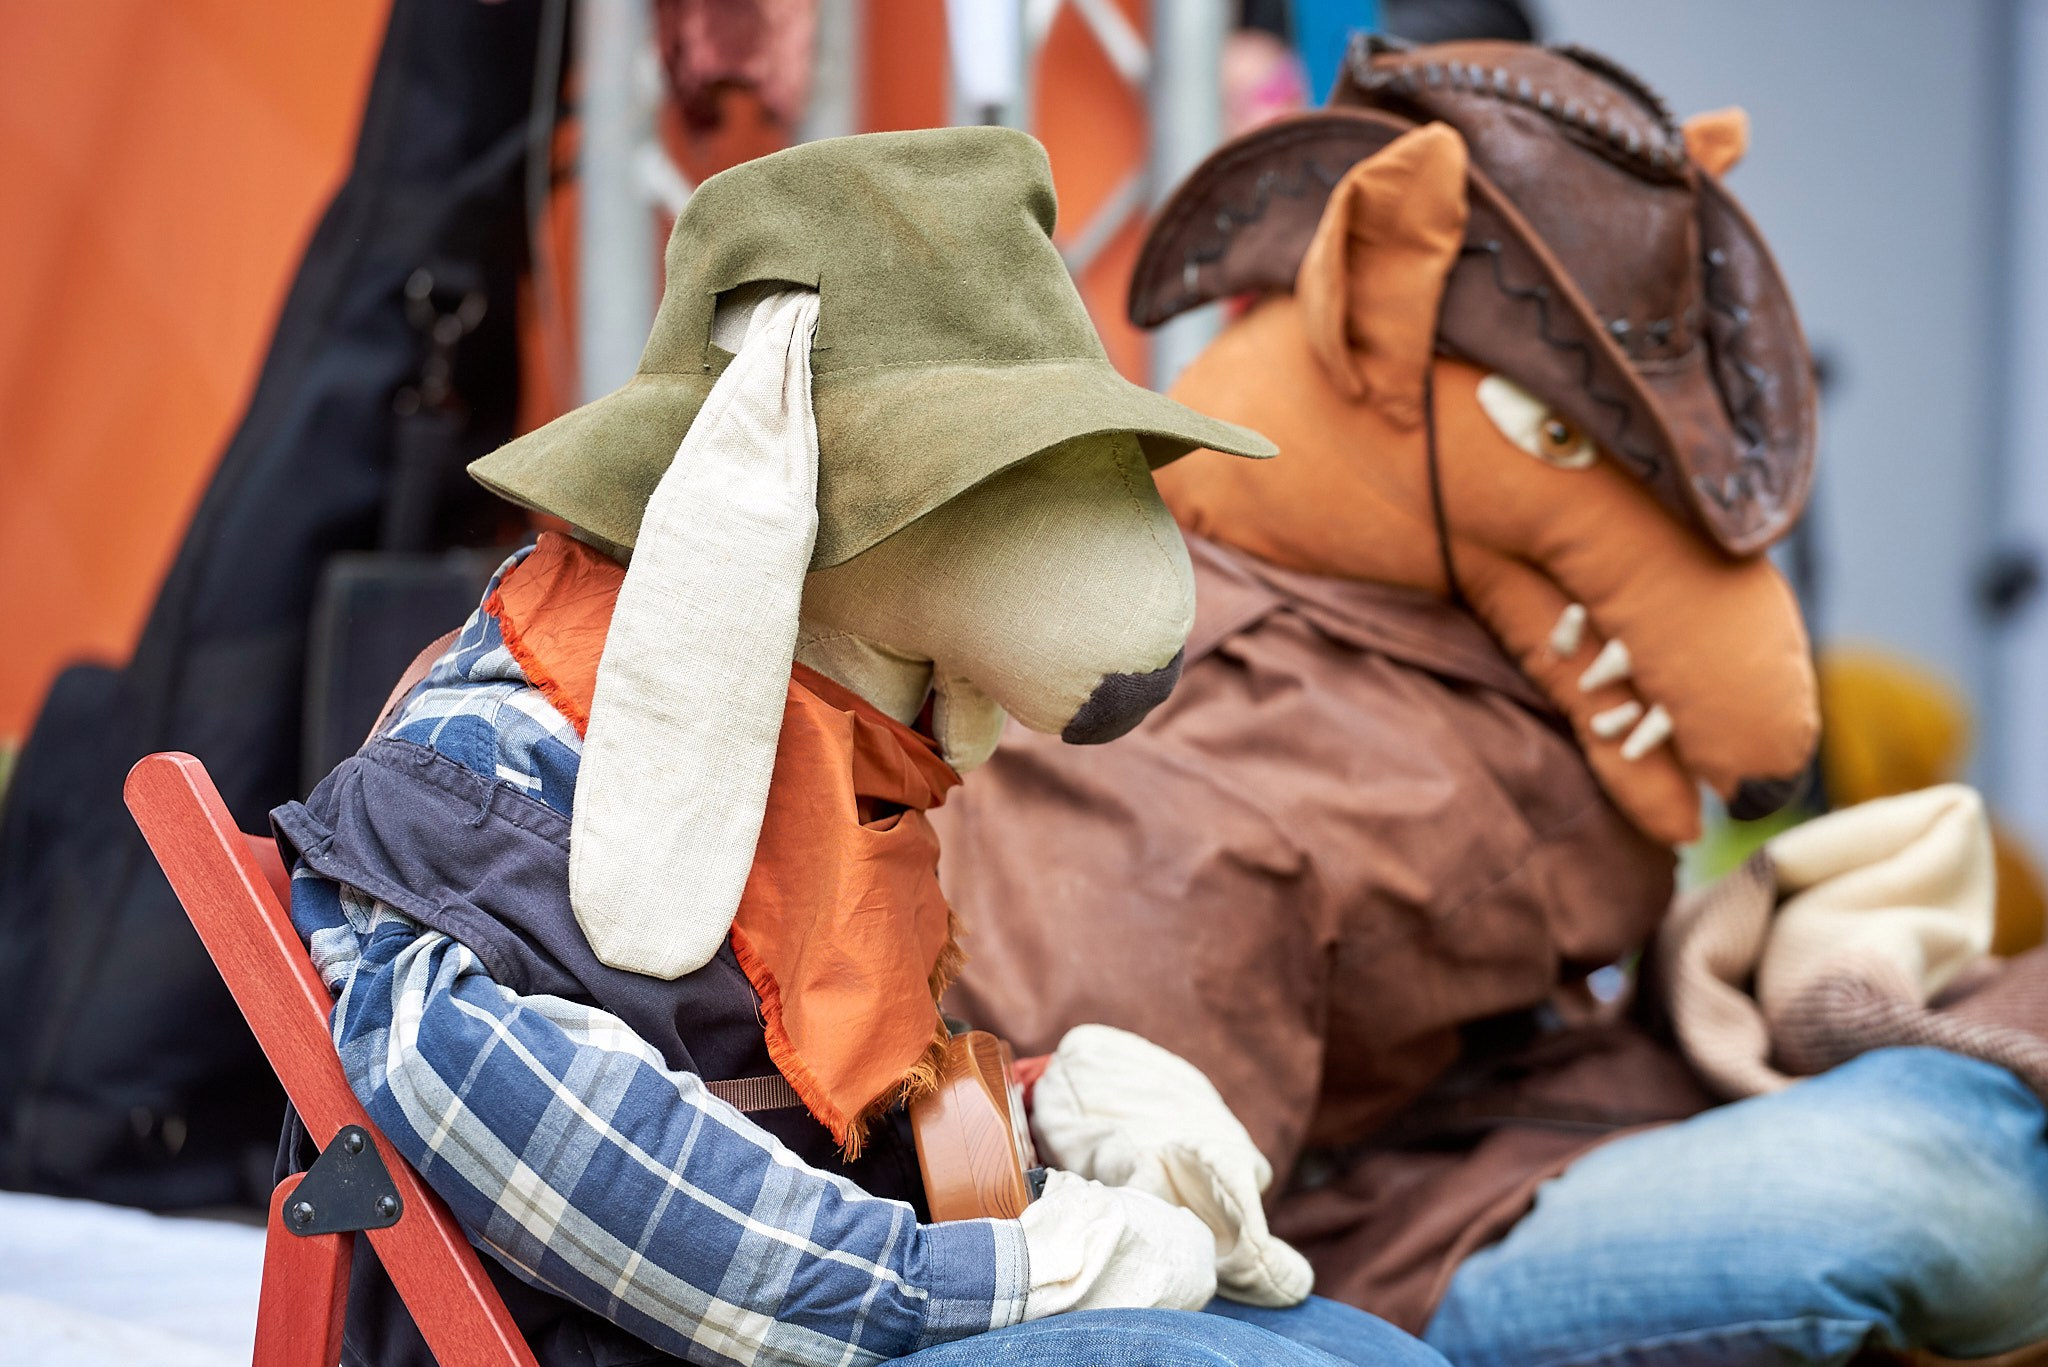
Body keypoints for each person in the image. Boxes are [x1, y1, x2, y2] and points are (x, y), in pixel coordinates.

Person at [934, 39, 2048, 1366]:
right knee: (1932, 1179)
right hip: (1378, 1247)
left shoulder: (1415, 599)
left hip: (1556, 1116)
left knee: (1973, 1105)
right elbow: (1161, 1215)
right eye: (1568, 435)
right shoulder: (1149, 714)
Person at [277, 128, 1448, 1367]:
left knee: (1365, 1352)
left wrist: (1044, 1111)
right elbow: (472, 1083)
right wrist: (1010, 1274)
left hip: (821, 1327)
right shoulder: (489, 765)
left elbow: (801, 1104)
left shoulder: (830, 745)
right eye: (1005, 475)